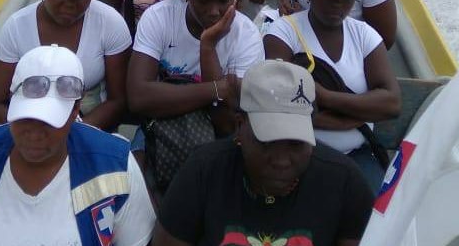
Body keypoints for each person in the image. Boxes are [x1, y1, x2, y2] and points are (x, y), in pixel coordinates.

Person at [0, 45, 155, 246]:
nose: (34, 134)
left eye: (49, 123)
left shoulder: (115, 166)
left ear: (74, 112)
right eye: (26, 118)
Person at [152, 60, 374, 246]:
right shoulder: (203, 171)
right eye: (266, 141)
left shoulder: (344, 182)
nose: (281, 160)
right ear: (239, 127)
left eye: (296, 143)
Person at [264, 0, 401, 190]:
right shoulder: (283, 33)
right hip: (298, 154)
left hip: (357, 154)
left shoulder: (365, 35)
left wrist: (325, 97)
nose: (338, 3)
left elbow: (391, 103)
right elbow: (280, 104)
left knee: (378, 217)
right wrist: (358, 113)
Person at [0, 0, 131, 131]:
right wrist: (34, 135)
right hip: (27, 131)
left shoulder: (111, 23)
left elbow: (118, 101)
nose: (69, 4)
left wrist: (71, 135)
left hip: (88, 126)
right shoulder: (16, 27)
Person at [127, 0, 264, 140]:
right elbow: (138, 98)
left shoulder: (247, 35)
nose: (214, 11)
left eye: (223, 0)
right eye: (203, 0)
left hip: (216, 139)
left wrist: (208, 46)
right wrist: (218, 89)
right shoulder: (159, 17)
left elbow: (226, 124)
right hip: (159, 130)